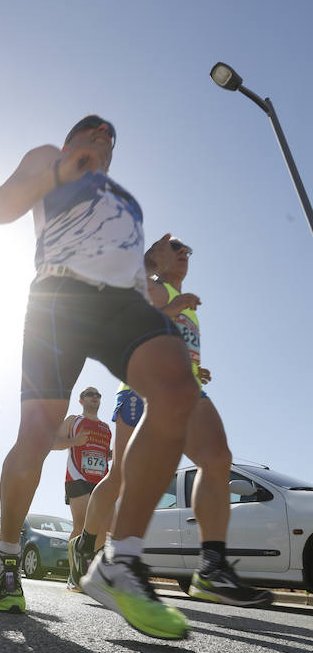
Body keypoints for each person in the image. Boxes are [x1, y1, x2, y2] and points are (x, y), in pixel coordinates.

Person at [0, 113, 200, 639]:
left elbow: (131, 278)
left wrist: (164, 312)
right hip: (57, 299)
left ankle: (118, 563)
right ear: (70, 139)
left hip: (116, 308)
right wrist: (57, 174)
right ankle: (7, 556)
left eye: (110, 136)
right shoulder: (45, 159)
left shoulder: (122, 201)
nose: (103, 137)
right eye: (92, 130)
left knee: (176, 394)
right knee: (37, 433)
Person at [67, 234, 273, 608]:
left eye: (187, 250)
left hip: (186, 388)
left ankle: (211, 567)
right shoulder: (153, 287)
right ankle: (88, 542)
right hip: (141, 388)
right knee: (123, 476)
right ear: (160, 256)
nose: (182, 254)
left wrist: (196, 367)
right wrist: (171, 307)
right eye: (174, 247)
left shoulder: (189, 306)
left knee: (217, 460)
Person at [52, 387, 111, 591]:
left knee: (103, 528)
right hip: (77, 477)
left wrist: (114, 454)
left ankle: (90, 574)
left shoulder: (105, 428)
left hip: (102, 481)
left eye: (98, 394)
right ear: (81, 400)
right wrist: (74, 441)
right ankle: (73, 575)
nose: (95, 396)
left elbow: (104, 455)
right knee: (81, 525)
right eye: (90, 394)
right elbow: (53, 442)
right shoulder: (73, 420)